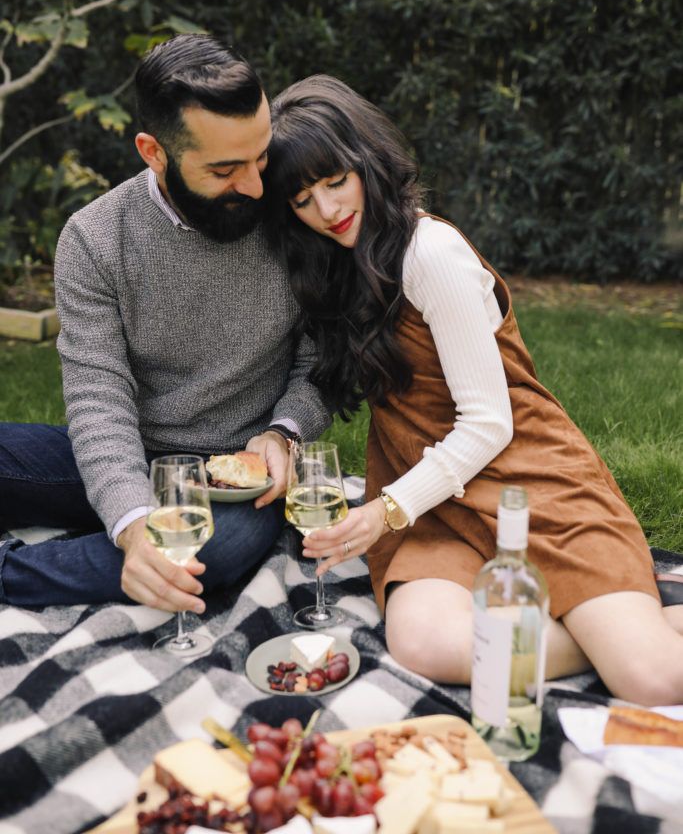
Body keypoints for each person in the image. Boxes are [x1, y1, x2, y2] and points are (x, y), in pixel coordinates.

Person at [264, 74, 683, 706]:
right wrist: (277, 434)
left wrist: (382, 512)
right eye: (302, 200)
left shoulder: (429, 251)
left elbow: (490, 424)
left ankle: (628, 638)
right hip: (437, 501)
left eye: (335, 181)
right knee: (425, 645)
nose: (327, 210)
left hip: (528, 483)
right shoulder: (334, 266)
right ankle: (612, 630)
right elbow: (319, 379)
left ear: (367, 162)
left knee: (654, 680)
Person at [0, 35, 329, 612]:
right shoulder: (94, 239)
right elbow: (97, 398)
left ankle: (18, 574)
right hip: (129, 450)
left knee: (211, 554)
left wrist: (284, 432)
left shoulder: (295, 211)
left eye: (261, 156)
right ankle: (122, 545)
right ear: (154, 151)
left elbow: (322, 362)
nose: (256, 185)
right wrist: (130, 522)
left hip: (237, 480)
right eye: (226, 168)